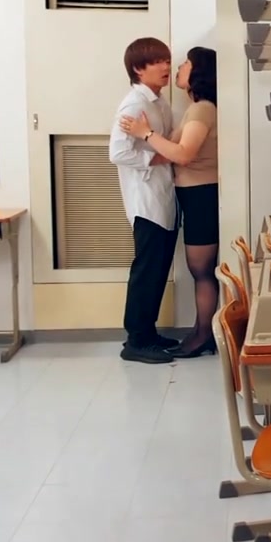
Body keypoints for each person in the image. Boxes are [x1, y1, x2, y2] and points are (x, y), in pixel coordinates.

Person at [119, 46, 220, 359]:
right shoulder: (189, 108)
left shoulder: (202, 109)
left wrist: (146, 133)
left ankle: (203, 335)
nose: (175, 67)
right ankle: (198, 333)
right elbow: (169, 151)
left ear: (199, 71)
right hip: (190, 196)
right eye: (160, 61)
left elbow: (184, 154)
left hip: (201, 195)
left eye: (185, 63)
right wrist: (152, 147)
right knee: (198, 270)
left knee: (202, 270)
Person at [109, 37, 181, 365]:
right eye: (157, 62)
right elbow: (118, 153)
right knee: (147, 270)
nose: (166, 66)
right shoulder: (134, 105)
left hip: (163, 196)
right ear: (139, 69)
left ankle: (148, 334)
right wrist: (157, 158)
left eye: (167, 60)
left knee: (158, 269)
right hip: (146, 200)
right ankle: (136, 340)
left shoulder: (159, 101)